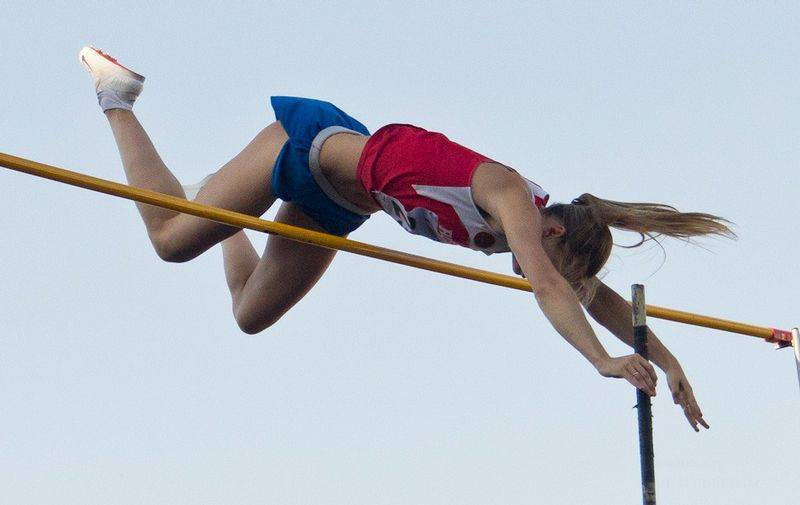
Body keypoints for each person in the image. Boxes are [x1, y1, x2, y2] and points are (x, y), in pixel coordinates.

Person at [80, 46, 731, 431]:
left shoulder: (533, 226)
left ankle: (217, 203)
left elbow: (595, 299)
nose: (548, 275)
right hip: (308, 148)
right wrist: (600, 360)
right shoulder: (509, 196)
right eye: (557, 265)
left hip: (341, 204)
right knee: (170, 238)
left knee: (249, 312)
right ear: (552, 229)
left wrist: (664, 360)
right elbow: (552, 288)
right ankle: (118, 96)